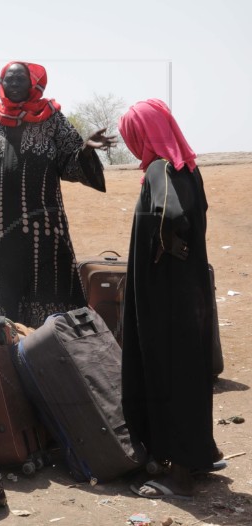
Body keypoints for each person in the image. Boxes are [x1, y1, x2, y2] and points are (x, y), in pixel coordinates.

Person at [0, 61, 116, 327]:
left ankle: (48, 353)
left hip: (43, 233)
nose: (13, 85)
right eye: (8, 80)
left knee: (50, 298)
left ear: (33, 84)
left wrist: (85, 150)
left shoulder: (52, 119)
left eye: (19, 80)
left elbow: (70, 162)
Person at [119, 99, 224, 500]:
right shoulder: (187, 168)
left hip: (166, 298)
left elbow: (172, 212)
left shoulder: (158, 169)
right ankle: (200, 454)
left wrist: (165, 241)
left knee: (168, 375)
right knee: (189, 374)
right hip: (190, 292)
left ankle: (178, 476)